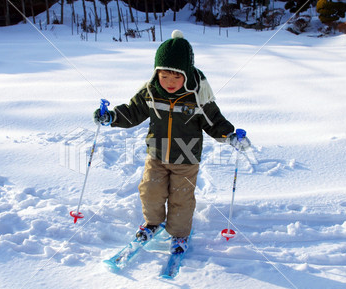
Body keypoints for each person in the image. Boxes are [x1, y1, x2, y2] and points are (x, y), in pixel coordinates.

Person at [93, 30, 250, 254]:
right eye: (164, 76)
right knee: (150, 191)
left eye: (176, 77)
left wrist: (230, 136)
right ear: (157, 73)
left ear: (186, 74)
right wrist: (112, 117)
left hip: (186, 159)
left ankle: (179, 234)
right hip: (156, 154)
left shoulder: (197, 96)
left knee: (181, 199)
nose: (169, 82)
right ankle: (152, 223)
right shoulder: (151, 92)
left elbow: (214, 122)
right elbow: (132, 112)